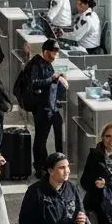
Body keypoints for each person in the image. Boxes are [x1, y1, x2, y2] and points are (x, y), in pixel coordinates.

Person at [24, 39, 67, 171]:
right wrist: (52, 78)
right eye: (51, 54)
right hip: (42, 107)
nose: (54, 57)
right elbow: (34, 83)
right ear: (45, 52)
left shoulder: (48, 63)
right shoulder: (36, 64)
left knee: (56, 134)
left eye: (55, 54)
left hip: (51, 106)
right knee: (41, 139)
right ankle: (40, 166)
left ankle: (54, 162)